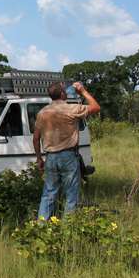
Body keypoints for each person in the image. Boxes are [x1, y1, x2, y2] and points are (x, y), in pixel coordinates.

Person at [33, 81, 101, 219]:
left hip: (50, 157)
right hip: (68, 156)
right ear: (63, 94)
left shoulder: (42, 113)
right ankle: (68, 228)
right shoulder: (72, 109)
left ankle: (41, 227)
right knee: (71, 194)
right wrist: (82, 91)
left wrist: (39, 158)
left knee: (48, 194)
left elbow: (35, 139)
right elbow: (96, 107)